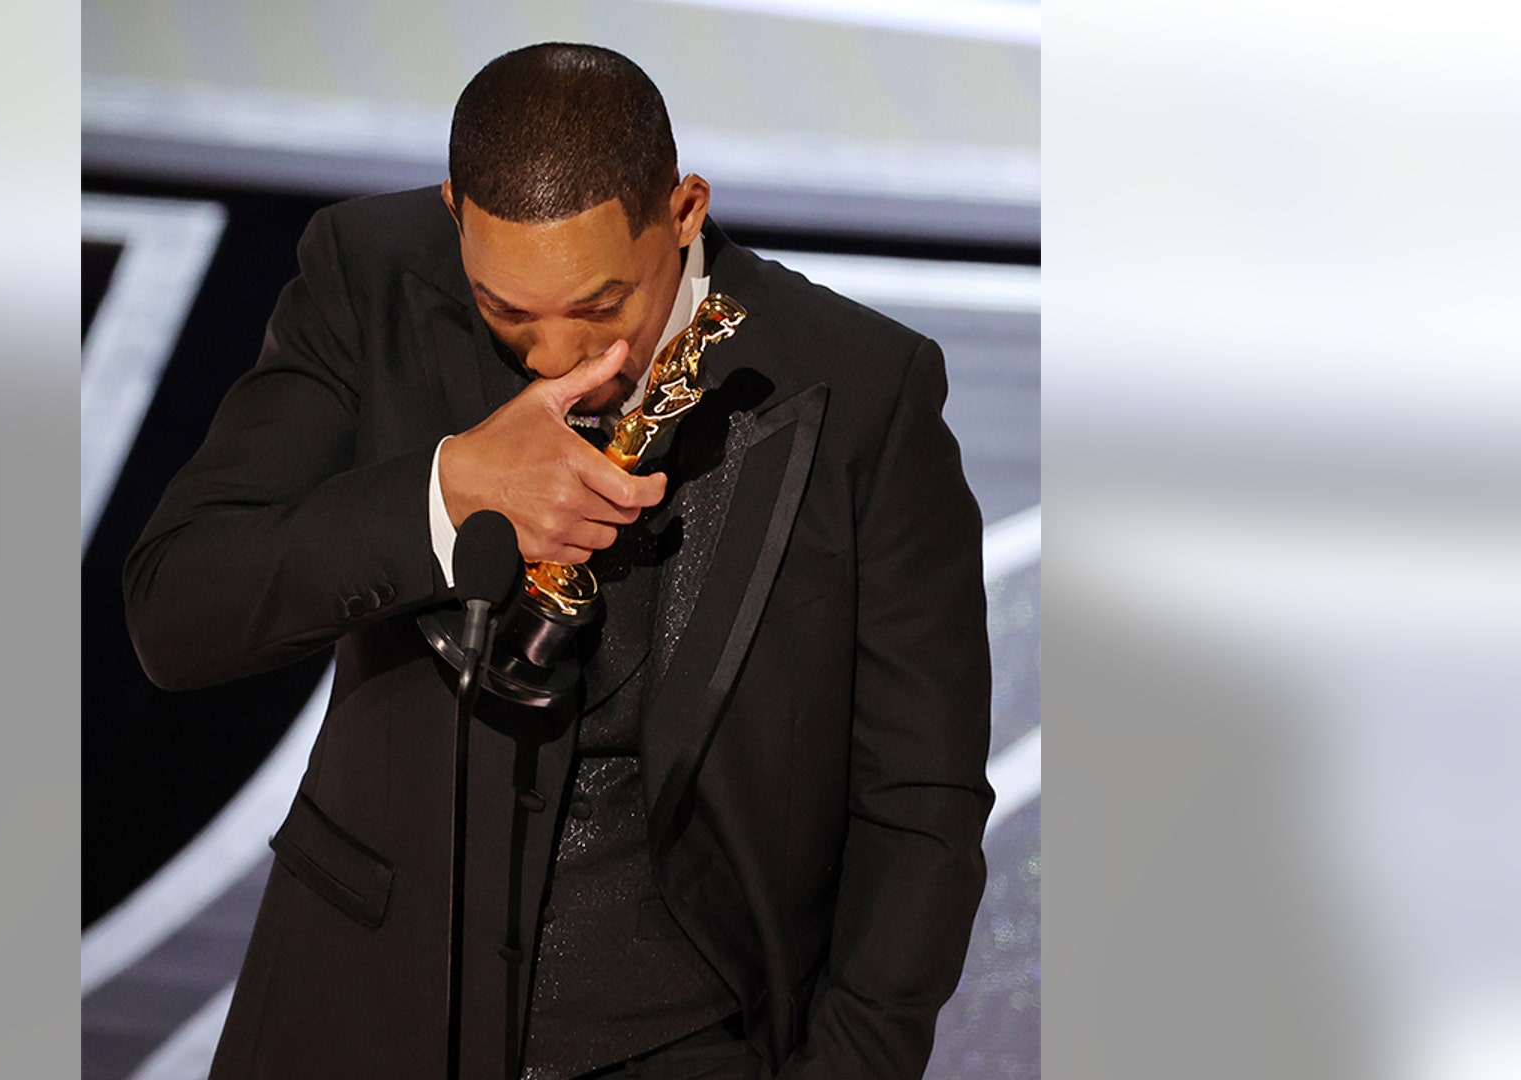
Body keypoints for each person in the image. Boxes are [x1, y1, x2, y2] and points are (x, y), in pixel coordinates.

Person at [124, 43, 992, 1080]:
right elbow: (177, 608)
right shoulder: (367, 274)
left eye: (597, 306)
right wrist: (446, 493)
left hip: (684, 1040)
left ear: (682, 211)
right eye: (505, 312)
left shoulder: (861, 385)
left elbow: (919, 801)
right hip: (353, 1009)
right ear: (455, 213)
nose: (553, 356)